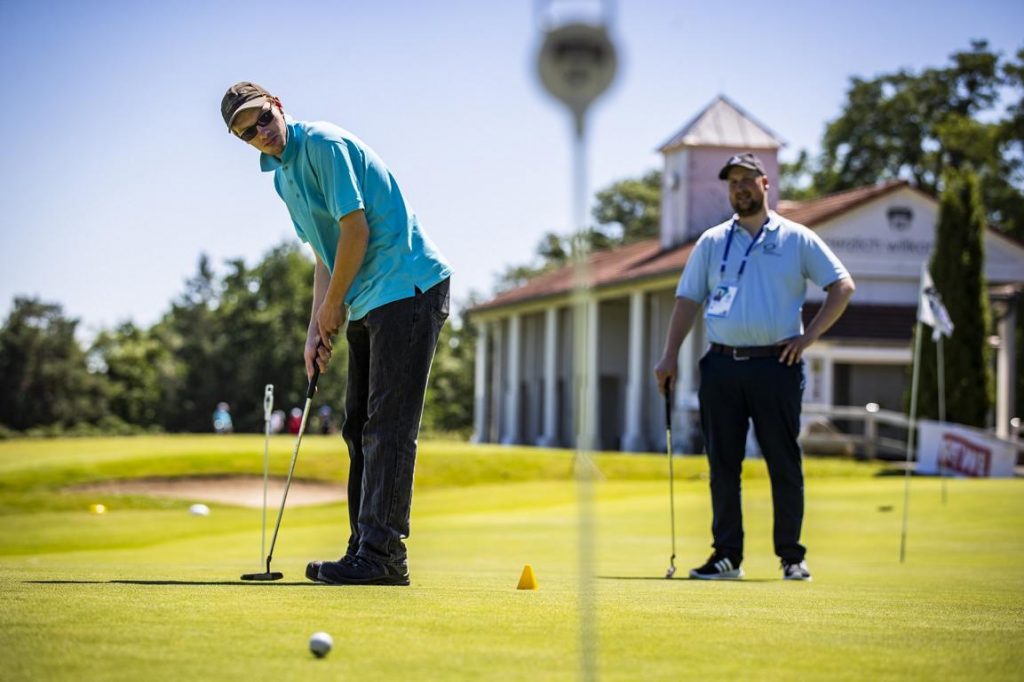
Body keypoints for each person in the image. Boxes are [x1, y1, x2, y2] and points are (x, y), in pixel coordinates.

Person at [221, 82, 451, 586]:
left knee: (386, 428)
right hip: (370, 296)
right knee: (357, 429)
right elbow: (325, 254)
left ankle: (382, 554)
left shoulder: (322, 144)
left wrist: (333, 308)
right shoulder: (282, 179)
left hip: (407, 284)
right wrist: (315, 328)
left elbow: (356, 230)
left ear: (277, 105)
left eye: (261, 118)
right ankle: (365, 547)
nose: (259, 133)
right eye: (245, 132)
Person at [654, 152, 855, 581]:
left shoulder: (796, 238)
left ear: (766, 184)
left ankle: (791, 557)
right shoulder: (711, 241)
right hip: (722, 365)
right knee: (722, 465)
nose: (740, 188)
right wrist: (670, 354)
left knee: (783, 462)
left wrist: (808, 338)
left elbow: (841, 286)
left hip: (776, 365)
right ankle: (727, 556)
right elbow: (688, 299)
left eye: (748, 180)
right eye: (732, 183)